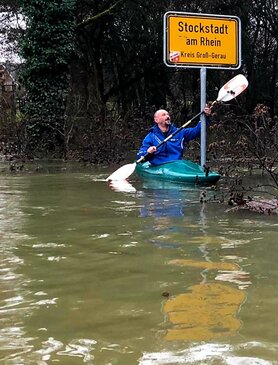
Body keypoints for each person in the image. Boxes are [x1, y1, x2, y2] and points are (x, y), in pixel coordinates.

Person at [137, 106, 211, 166]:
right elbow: (140, 155)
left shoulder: (179, 132)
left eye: (168, 114)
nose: (167, 116)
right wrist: (148, 151)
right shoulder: (150, 137)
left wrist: (206, 117)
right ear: (156, 120)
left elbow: (196, 131)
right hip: (158, 166)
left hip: (176, 166)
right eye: (164, 115)